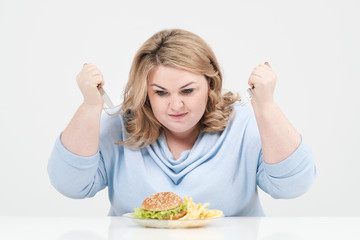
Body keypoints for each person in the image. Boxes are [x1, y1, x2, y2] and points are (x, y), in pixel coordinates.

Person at [48, 29, 316, 216]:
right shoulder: (121, 125)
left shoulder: (244, 123)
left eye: (187, 91)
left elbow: (294, 186)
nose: (175, 106)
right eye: (160, 92)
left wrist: (266, 106)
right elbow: (70, 185)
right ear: (145, 91)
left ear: (210, 84)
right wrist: (90, 106)